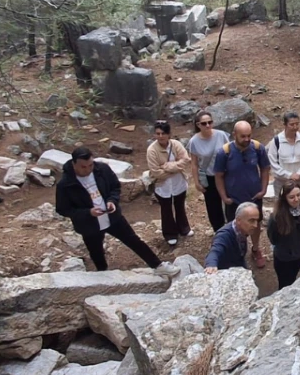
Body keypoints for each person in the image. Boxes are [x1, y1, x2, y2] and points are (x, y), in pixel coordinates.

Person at [56, 147, 178, 277]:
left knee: (133, 240)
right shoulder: (65, 184)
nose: (88, 169)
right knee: (96, 251)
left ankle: (157, 265)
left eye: (90, 165)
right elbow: (63, 209)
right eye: (83, 167)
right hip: (89, 224)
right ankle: (103, 275)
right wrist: (88, 213)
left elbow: (115, 187)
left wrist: (112, 201)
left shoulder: (102, 169)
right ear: (74, 164)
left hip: (112, 216)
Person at [213, 121, 271, 268]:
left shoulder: (258, 148)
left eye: (249, 136)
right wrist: (224, 197)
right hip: (234, 200)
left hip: (254, 197)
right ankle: (238, 254)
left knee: (255, 224)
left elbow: (265, 168)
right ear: (234, 135)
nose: (246, 139)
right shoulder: (224, 153)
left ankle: (256, 248)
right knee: (235, 228)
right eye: (243, 136)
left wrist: (263, 189)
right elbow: (218, 176)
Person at [146, 121, 192, 246]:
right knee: (166, 210)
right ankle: (170, 233)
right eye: (158, 133)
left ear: (169, 134)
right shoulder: (152, 150)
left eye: (163, 133)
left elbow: (186, 159)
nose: (160, 136)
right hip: (163, 186)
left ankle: (184, 228)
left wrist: (168, 167)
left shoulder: (176, 145)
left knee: (180, 206)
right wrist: (175, 169)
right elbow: (156, 172)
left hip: (179, 183)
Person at [187, 111, 231, 234]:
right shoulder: (194, 141)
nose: (207, 125)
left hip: (224, 175)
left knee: (229, 201)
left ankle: (232, 228)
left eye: (210, 122)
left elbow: (230, 153)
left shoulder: (221, 135)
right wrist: (196, 182)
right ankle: (219, 231)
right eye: (204, 123)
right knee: (213, 206)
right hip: (209, 177)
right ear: (198, 125)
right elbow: (194, 164)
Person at [267, 180, 300, 287]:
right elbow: (273, 237)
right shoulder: (276, 217)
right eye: (291, 197)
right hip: (284, 257)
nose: (296, 199)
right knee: (284, 283)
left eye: (298, 195)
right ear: (284, 199)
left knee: (293, 277)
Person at [204, 202, 261, 273]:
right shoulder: (224, 235)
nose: (255, 225)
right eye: (251, 221)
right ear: (239, 220)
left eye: (256, 220)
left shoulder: (242, 229)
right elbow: (215, 250)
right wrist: (211, 265)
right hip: (226, 272)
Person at [267, 111, 300, 196]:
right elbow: (273, 162)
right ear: (285, 124)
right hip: (282, 182)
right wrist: (289, 175)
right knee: (281, 205)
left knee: (299, 203)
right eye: (292, 124)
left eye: (297, 124)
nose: (295, 127)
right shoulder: (277, 141)